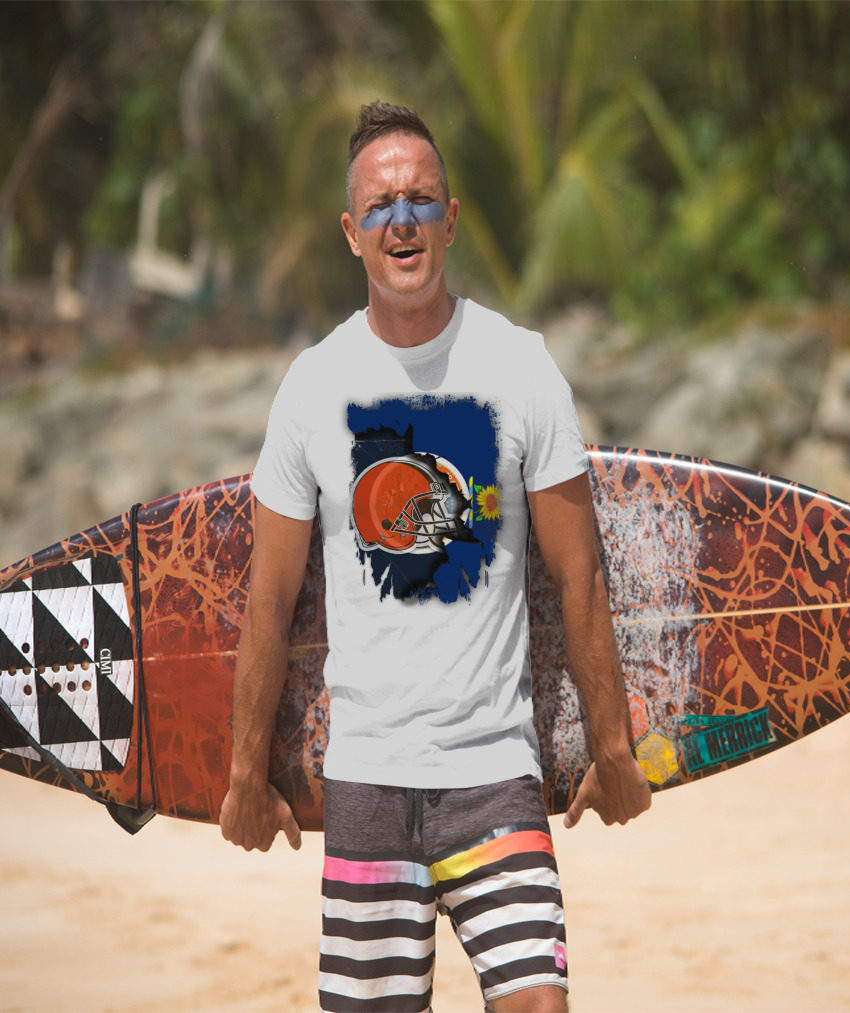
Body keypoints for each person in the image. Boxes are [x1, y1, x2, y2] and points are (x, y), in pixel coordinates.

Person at [220, 100, 651, 1013]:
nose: (402, 220)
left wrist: (612, 746)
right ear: (351, 232)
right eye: (380, 206)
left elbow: (579, 574)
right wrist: (242, 773)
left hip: (495, 772)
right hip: (368, 779)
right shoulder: (313, 387)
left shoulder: (522, 367)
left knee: (540, 1003)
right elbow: (269, 600)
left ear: (451, 219)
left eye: (421, 200)